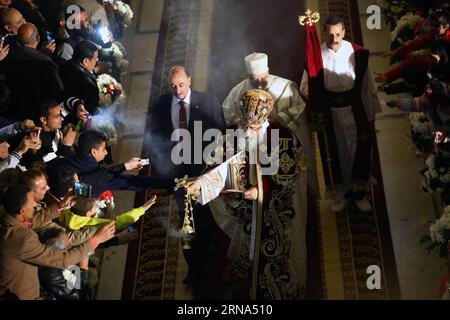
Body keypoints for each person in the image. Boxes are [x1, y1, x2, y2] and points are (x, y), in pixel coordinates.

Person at [186, 89, 308, 299]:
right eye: (246, 125)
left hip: (273, 209)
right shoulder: (236, 132)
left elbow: (288, 174)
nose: (248, 130)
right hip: (244, 206)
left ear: (265, 119)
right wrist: (201, 183)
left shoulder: (283, 137)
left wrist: (261, 190)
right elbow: (221, 164)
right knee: (247, 238)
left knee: (273, 251)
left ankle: (275, 285)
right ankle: (246, 267)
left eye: (253, 127)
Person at [148, 65, 226, 296]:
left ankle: (213, 264)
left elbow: (221, 136)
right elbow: (153, 138)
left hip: (204, 175)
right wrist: (161, 172)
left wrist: (212, 171)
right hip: (178, 178)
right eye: (173, 86)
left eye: (181, 85)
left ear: (189, 80)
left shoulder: (209, 101)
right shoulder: (161, 104)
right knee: (187, 223)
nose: (178, 90)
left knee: (210, 219)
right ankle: (194, 270)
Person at [300, 15, 382, 212]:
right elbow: (305, 86)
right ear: (324, 33)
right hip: (330, 113)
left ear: (344, 32)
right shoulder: (316, 57)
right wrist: (316, 97)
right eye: (330, 35)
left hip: (353, 110)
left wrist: (370, 114)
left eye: (338, 34)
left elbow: (366, 84)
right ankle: (341, 192)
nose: (334, 39)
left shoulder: (357, 54)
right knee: (335, 154)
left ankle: (359, 191)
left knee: (357, 149)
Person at [0, 184, 116, 299]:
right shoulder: (24, 240)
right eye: (32, 203)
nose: (35, 204)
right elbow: (63, 260)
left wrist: (61, 204)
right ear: (22, 211)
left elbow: (35, 220)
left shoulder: (10, 220)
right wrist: (96, 240)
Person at [222, 52, 316, 194]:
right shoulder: (237, 92)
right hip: (254, 150)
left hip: (282, 146)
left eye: (263, 78)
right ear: (248, 77)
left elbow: (299, 107)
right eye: (254, 79)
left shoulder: (286, 87)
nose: (259, 83)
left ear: (268, 70)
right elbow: (228, 112)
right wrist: (248, 123)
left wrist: (277, 120)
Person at [3, 22, 64, 122]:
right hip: (37, 113)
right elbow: (57, 89)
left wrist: (40, 54)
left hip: (15, 109)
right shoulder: (44, 61)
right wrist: (46, 58)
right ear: (38, 38)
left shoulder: (8, 55)